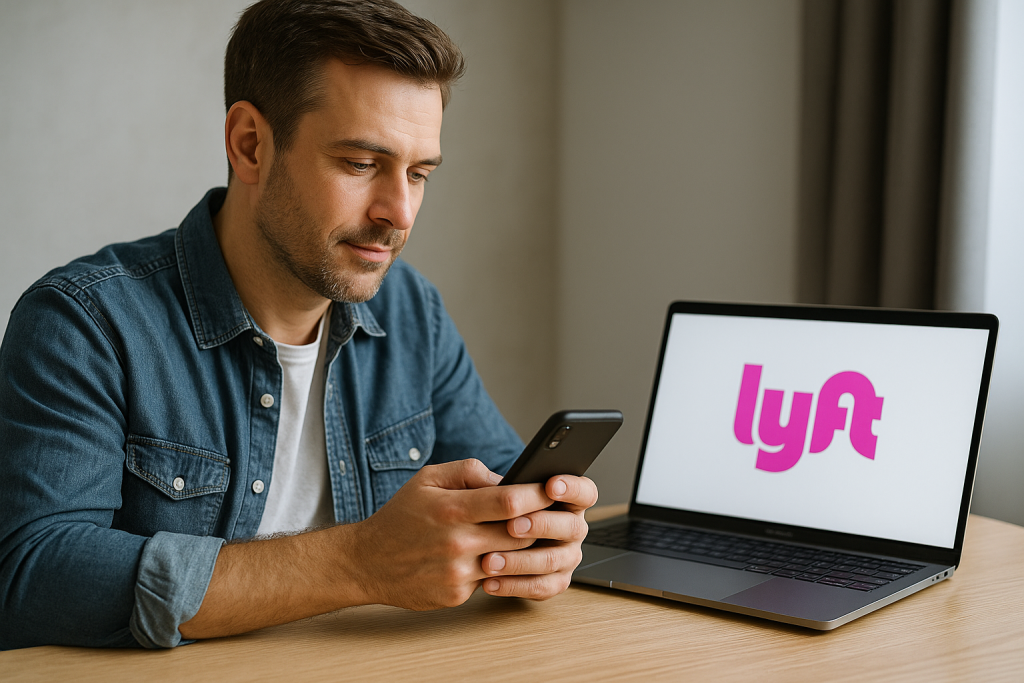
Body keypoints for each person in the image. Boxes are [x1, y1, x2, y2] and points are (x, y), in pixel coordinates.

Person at [0, 0, 597, 650]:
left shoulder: (410, 314)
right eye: (361, 164)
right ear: (250, 144)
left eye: (419, 173)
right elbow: (33, 578)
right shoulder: (84, 323)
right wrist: (359, 561)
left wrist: (537, 537)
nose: (399, 211)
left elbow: (505, 484)